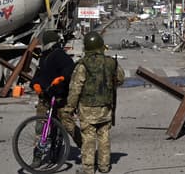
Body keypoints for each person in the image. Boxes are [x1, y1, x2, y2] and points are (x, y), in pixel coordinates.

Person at [67, 31, 124, 174]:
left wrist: (70, 107)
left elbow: (75, 88)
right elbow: (120, 79)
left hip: (87, 109)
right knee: (104, 136)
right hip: (106, 107)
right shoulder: (111, 62)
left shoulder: (83, 65)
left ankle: (88, 168)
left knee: (88, 139)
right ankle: (104, 166)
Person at [30, 30, 79, 145]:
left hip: (59, 97)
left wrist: (62, 78)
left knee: (68, 125)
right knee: (40, 128)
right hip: (45, 97)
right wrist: (35, 84)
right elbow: (37, 75)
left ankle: (86, 149)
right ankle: (37, 155)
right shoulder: (43, 57)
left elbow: (70, 71)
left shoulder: (60, 55)